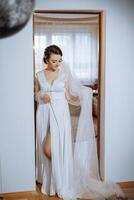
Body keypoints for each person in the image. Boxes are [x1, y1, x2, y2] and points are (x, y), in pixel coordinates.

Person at [35, 45, 124, 200]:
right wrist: (41, 95)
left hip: (60, 113)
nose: (58, 64)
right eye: (54, 61)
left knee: (48, 149)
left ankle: (63, 178)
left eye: (59, 60)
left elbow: (71, 93)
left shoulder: (63, 73)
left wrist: (86, 93)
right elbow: (35, 94)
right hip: (43, 112)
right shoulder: (38, 75)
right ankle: (52, 180)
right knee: (45, 148)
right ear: (46, 60)